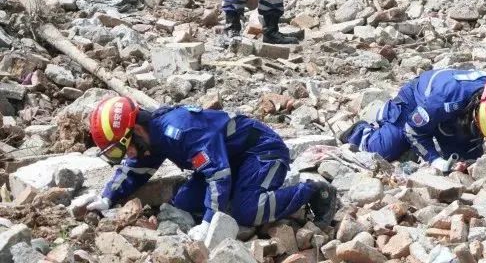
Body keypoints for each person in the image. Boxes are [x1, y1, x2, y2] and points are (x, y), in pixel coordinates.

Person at [84, 96, 337, 233]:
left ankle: (312, 191)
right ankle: (240, 196)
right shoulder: (151, 136)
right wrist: (107, 197)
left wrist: (210, 224)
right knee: (184, 204)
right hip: (229, 159)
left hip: (261, 151)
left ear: (137, 130)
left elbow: (218, 175)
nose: (126, 154)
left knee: (247, 212)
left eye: (122, 147)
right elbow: (135, 169)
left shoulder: (180, 131)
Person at [340, 70, 486, 173]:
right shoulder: (444, 98)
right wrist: (433, 159)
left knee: (463, 165)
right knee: (384, 148)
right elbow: (413, 130)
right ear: (479, 105)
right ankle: (364, 129)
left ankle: (421, 148)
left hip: (462, 111)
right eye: (479, 125)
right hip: (416, 99)